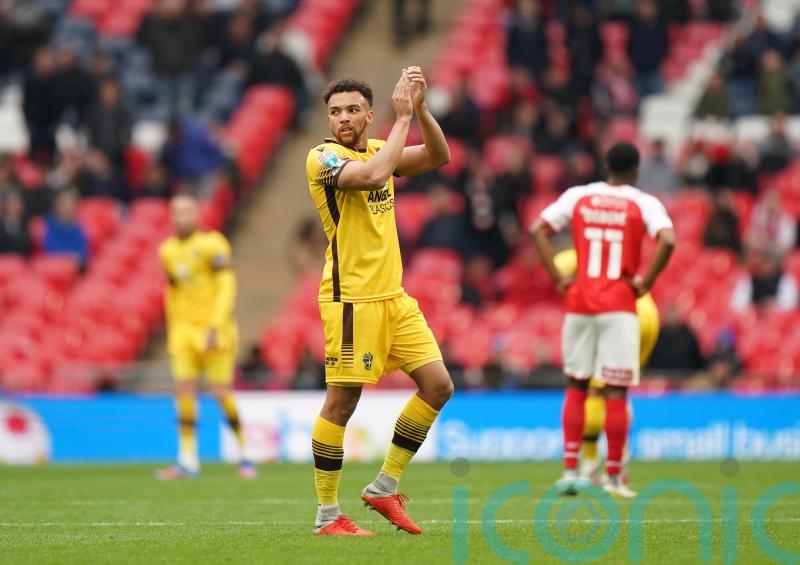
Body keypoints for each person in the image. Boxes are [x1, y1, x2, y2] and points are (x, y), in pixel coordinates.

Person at [305, 69, 452, 536]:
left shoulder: (377, 148)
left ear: (369, 114)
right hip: (352, 300)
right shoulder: (322, 157)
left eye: (352, 110)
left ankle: (384, 486)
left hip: (394, 297)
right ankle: (328, 515)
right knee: (341, 404)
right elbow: (372, 176)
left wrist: (422, 109)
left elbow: (439, 156)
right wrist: (402, 117)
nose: (343, 118)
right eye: (335, 111)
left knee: (438, 386)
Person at [530, 142, 675, 498]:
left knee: (577, 386)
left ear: (605, 164)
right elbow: (668, 240)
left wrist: (557, 277)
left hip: (580, 302)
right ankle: (613, 477)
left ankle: (569, 471)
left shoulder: (579, 195)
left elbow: (537, 230)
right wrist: (646, 281)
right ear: (636, 170)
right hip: (619, 304)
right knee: (615, 391)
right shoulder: (643, 202)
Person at [155, 194, 256, 480]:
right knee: (183, 391)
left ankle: (245, 453)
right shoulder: (167, 251)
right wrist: (173, 329)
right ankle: (187, 459)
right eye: (176, 212)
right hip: (183, 332)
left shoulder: (214, 245)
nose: (181, 217)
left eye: (186, 211)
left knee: (220, 392)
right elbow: (172, 292)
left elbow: (226, 287)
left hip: (215, 330)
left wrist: (215, 325)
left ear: (197, 215)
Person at [551, 248, 661, 486]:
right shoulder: (615, 242)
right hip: (645, 309)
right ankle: (618, 464)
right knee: (617, 389)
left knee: (591, 388)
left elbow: (556, 269)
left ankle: (594, 464)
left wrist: (570, 286)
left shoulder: (574, 254)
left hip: (615, 312)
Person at [43, 189, 90, 267]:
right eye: (64, 204)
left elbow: (84, 251)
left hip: (76, 267)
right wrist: (69, 257)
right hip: (55, 267)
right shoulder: (48, 224)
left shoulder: (79, 226)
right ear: (57, 205)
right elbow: (51, 249)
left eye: (71, 204)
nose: (67, 208)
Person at [0, 190, 31, 256]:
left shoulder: (25, 224)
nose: (14, 206)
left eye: (17, 203)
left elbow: (25, 245)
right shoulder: (1, 224)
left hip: (21, 260)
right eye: (11, 203)